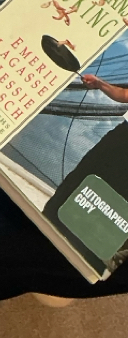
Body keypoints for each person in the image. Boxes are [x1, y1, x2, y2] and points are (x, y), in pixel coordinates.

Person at [43, 72, 128, 270]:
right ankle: (50, 223)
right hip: (121, 139)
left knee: (117, 207)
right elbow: (124, 95)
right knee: (84, 181)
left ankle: (93, 259)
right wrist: (100, 84)